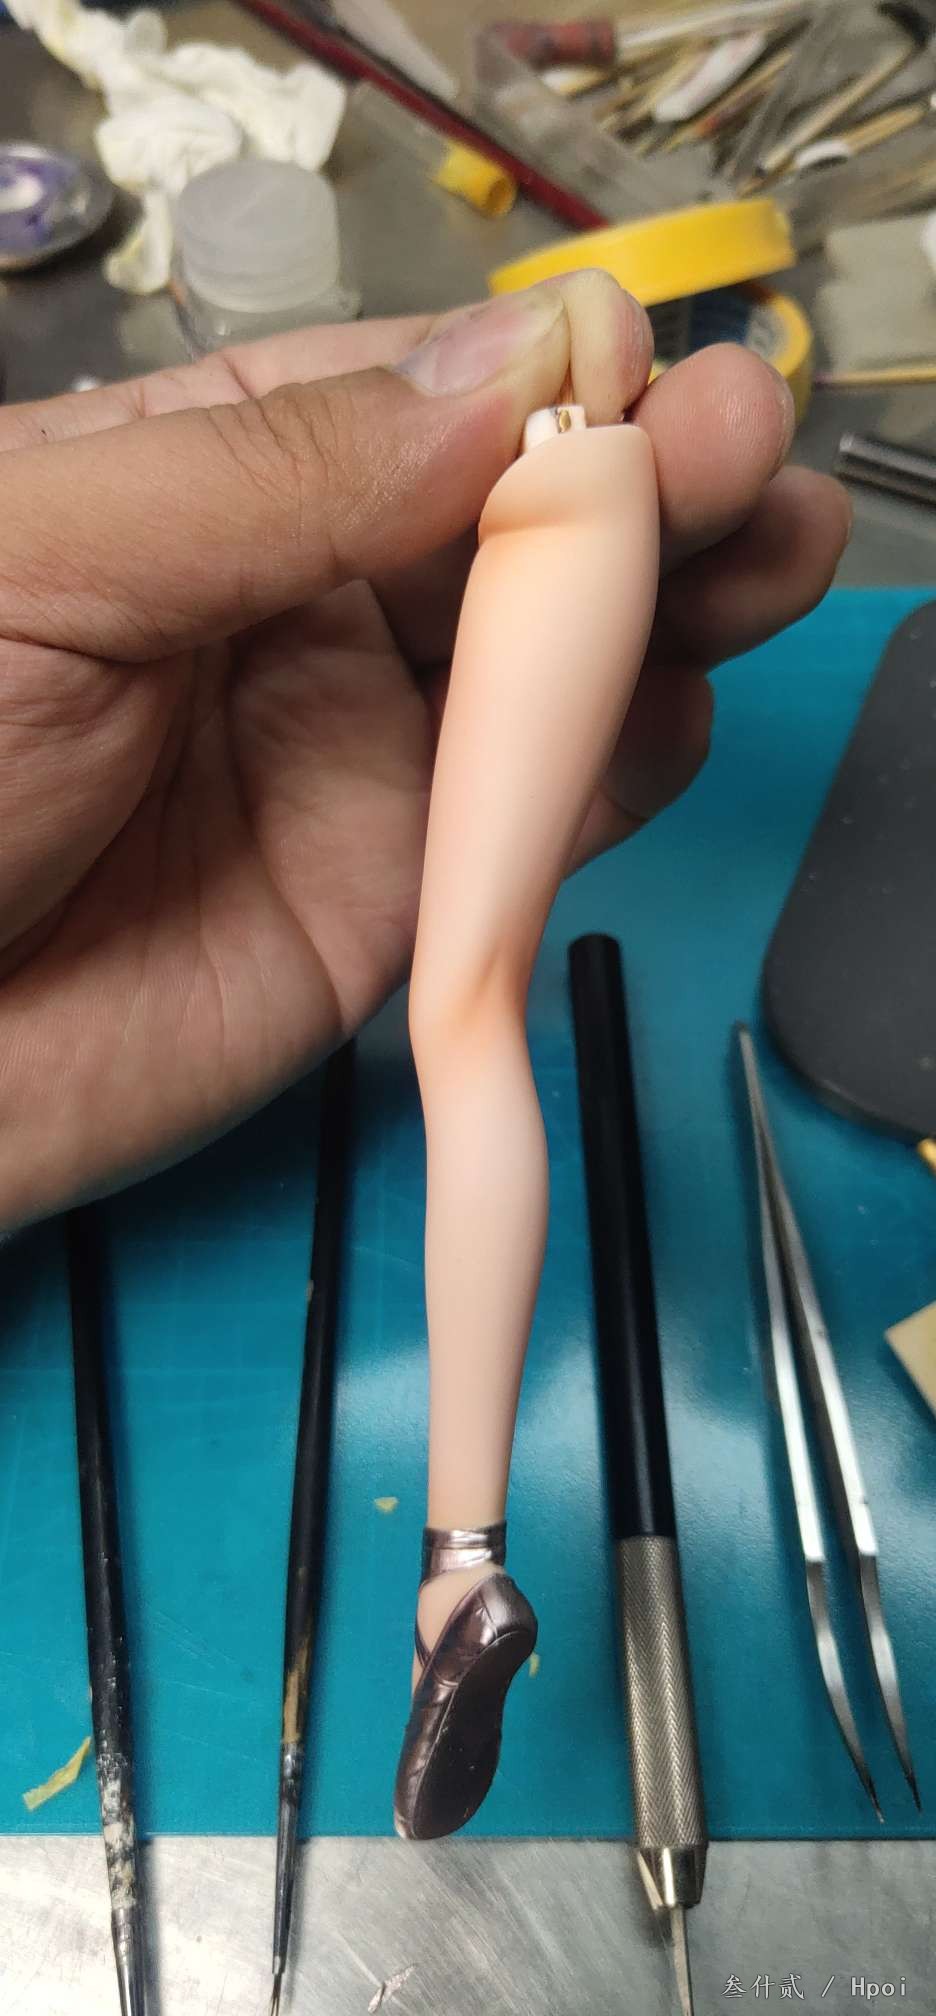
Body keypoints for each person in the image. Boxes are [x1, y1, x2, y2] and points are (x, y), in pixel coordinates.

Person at [0, 272, 850, 1235]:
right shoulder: (577, 490)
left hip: (569, 524)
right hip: (563, 530)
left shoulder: (581, 492)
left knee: (464, 1018)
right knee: (464, 1019)